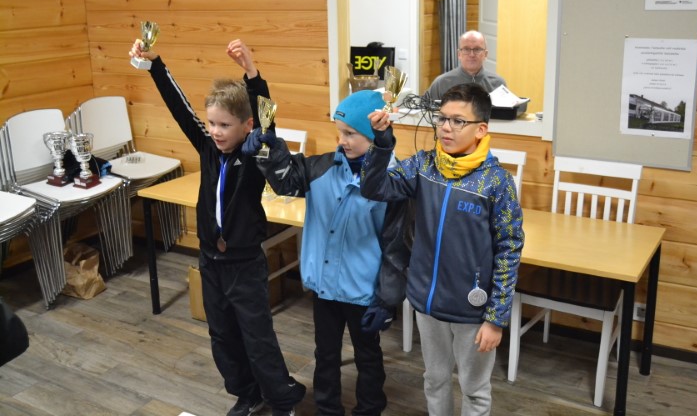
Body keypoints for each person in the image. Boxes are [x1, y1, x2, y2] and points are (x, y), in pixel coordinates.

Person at [128, 39, 305, 416]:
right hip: (210, 262)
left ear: (247, 126)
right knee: (222, 335)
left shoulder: (254, 152)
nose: (216, 132)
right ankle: (247, 393)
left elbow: (269, 121)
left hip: (245, 265)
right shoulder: (208, 148)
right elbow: (179, 107)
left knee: (257, 339)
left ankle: (282, 398)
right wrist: (156, 65)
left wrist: (253, 73)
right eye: (212, 123)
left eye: (225, 125)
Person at [361, 83, 524, 416]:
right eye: (442, 118)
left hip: (472, 310)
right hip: (427, 301)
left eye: (458, 121)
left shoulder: (496, 183)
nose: (446, 127)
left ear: (481, 129)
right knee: (434, 380)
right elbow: (373, 187)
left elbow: (509, 250)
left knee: (474, 391)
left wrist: (496, 318)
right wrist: (382, 143)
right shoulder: (424, 166)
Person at [242, 90, 408, 416]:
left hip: (363, 292)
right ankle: (327, 409)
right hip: (325, 288)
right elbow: (286, 181)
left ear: (374, 135)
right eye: (339, 132)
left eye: (351, 133)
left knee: (367, 356)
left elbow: (396, 248)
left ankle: (369, 409)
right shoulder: (320, 167)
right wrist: (266, 149)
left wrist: (387, 299)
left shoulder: (392, 183)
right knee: (326, 354)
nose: (342, 141)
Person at [424, 31, 506, 101]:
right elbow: (424, 111)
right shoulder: (441, 83)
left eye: (477, 49)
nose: (472, 54)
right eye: (466, 49)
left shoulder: (498, 84)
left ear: (485, 54)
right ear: (459, 54)